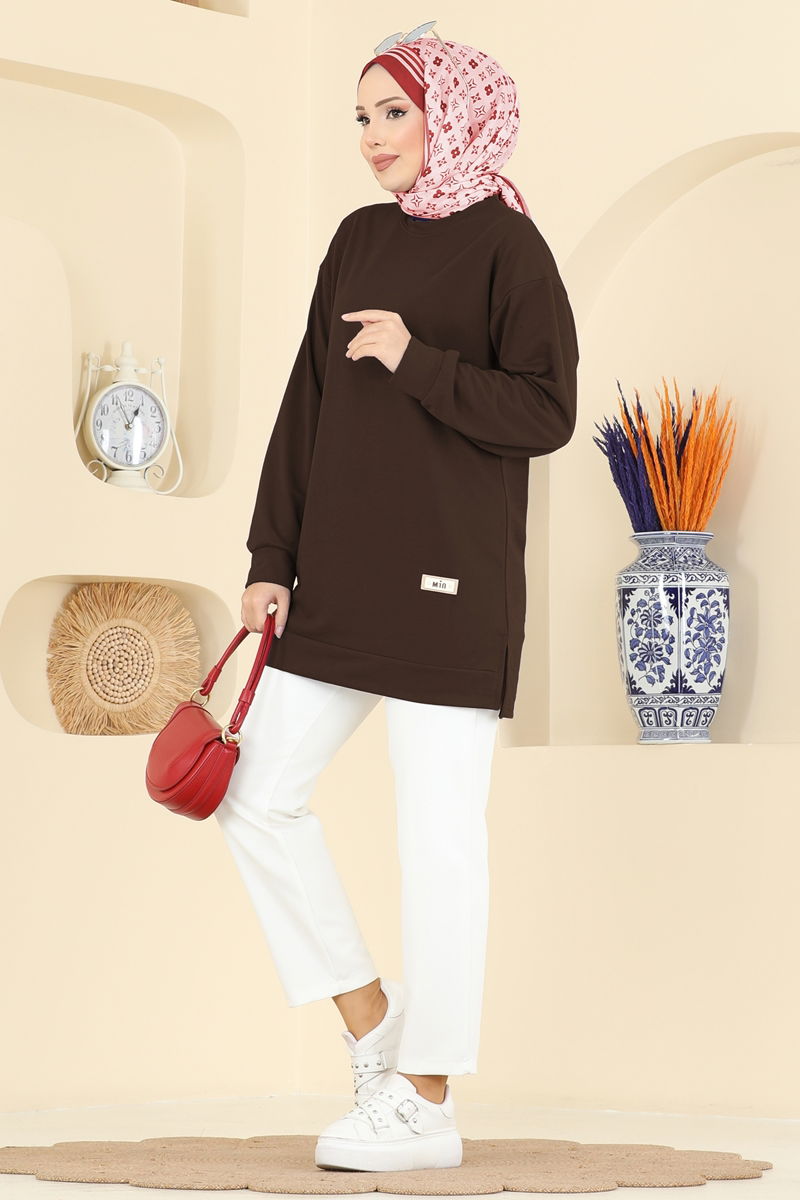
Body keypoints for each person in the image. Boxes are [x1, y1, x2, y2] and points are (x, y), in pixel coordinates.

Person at [214, 28, 579, 1173]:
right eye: (361, 118)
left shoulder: (508, 248)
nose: (372, 138)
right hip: (336, 583)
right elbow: (307, 401)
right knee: (253, 795)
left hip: (450, 590)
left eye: (392, 114)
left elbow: (546, 412)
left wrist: (419, 361)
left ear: (449, 116)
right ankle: (374, 1026)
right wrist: (271, 554)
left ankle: (426, 1099)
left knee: (438, 845)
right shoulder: (358, 239)